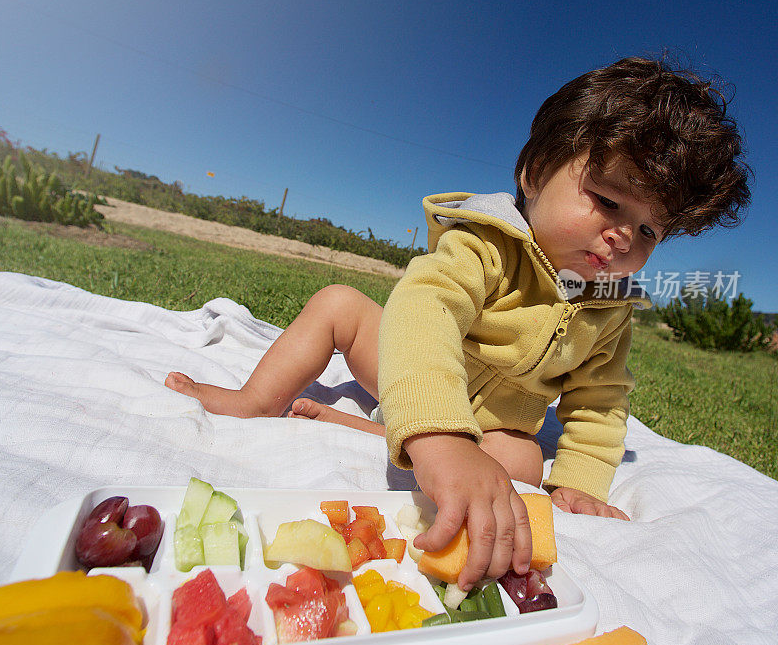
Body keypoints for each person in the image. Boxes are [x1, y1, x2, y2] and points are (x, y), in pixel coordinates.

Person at [165, 56, 751, 591]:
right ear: (536, 171)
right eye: (608, 200)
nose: (624, 235)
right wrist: (441, 434)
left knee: (523, 462)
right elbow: (424, 312)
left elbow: (600, 401)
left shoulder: (610, 309)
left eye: (650, 230)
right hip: (406, 375)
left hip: (489, 425)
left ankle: (381, 434)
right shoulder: (490, 245)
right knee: (339, 303)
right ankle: (256, 400)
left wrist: (580, 481)